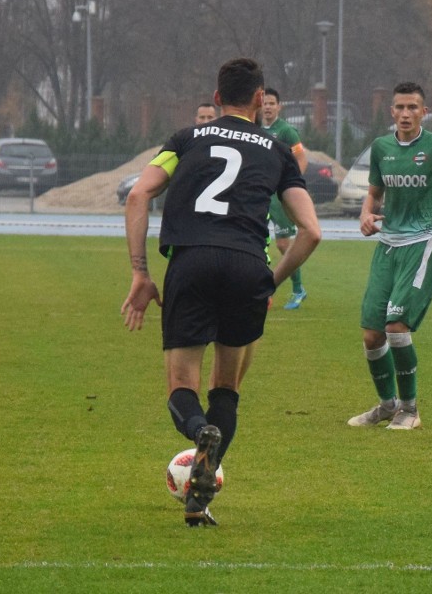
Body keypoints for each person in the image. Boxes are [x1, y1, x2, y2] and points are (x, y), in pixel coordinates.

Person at [122, 58, 321, 526]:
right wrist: (266, 281)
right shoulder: (276, 150)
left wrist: (140, 273)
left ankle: (197, 432)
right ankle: (200, 498)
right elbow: (310, 231)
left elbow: (137, 196)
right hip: (247, 266)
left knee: (181, 385)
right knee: (226, 388)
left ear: (215, 99)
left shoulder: (187, 139)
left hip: (190, 263)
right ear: (259, 99)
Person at [348, 82, 432, 430]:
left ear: (424, 112)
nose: (406, 114)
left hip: (423, 243)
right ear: (392, 112)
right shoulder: (381, 147)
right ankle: (387, 405)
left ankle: (410, 409)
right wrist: (366, 214)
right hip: (387, 246)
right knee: (372, 335)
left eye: (413, 108)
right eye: (400, 108)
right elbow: (373, 193)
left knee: (396, 327)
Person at [261, 88, 309, 309]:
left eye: (272, 103)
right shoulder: (254, 128)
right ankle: (256, 288)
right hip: (259, 194)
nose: (268, 107)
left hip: (278, 198)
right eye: (265, 103)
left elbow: (300, 157)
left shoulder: (286, 131)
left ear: (279, 106)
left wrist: (290, 184)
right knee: (254, 242)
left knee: (282, 244)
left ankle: (298, 289)